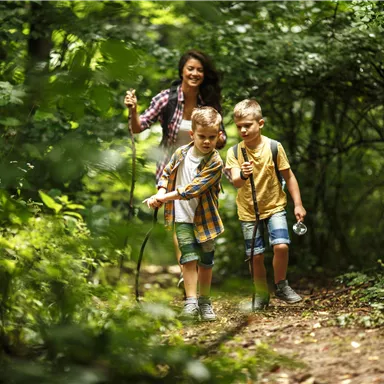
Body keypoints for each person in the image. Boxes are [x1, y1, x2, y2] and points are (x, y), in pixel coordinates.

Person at [124, 49, 226, 285]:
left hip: (202, 168)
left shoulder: (208, 102)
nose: (195, 73)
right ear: (182, 70)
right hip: (172, 168)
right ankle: (186, 271)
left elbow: (221, 138)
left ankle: (198, 267)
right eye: (190, 68)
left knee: (200, 215)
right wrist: (133, 110)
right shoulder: (165, 99)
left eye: (200, 70)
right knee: (180, 218)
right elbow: (139, 127)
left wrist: (217, 138)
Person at [143, 107, 224, 321]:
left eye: (212, 137)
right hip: (182, 218)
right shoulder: (181, 153)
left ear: (219, 136)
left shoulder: (215, 162)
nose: (207, 141)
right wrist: (160, 191)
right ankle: (191, 302)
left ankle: (205, 302)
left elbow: (192, 189)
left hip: (206, 220)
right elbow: (167, 173)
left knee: (205, 262)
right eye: (202, 136)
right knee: (188, 259)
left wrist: (162, 198)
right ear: (192, 135)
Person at [225, 99, 306, 310]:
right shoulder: (234, 152)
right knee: (255, 255)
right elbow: (235, 181)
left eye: (247, 125)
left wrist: (298, 204)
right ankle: (261, 293)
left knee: (281, 246)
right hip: (248, 210)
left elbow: (289, 177)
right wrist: (243, 173)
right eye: (239, 126)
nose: (243, 130)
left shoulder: (273, 147)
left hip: (275, 205)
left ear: (260, 123)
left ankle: (281, 285)